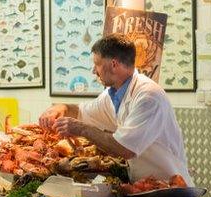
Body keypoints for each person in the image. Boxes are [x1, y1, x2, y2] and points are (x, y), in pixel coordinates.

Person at [39, 33, 192, 185]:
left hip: (171, 189)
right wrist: (61, 107)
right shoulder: (112, 94)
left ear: (113, 64)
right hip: (143, 187)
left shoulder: (148, 96)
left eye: (97, 64)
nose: (94, 71)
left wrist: (82, 129)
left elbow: (125, 149)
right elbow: (81, 111)